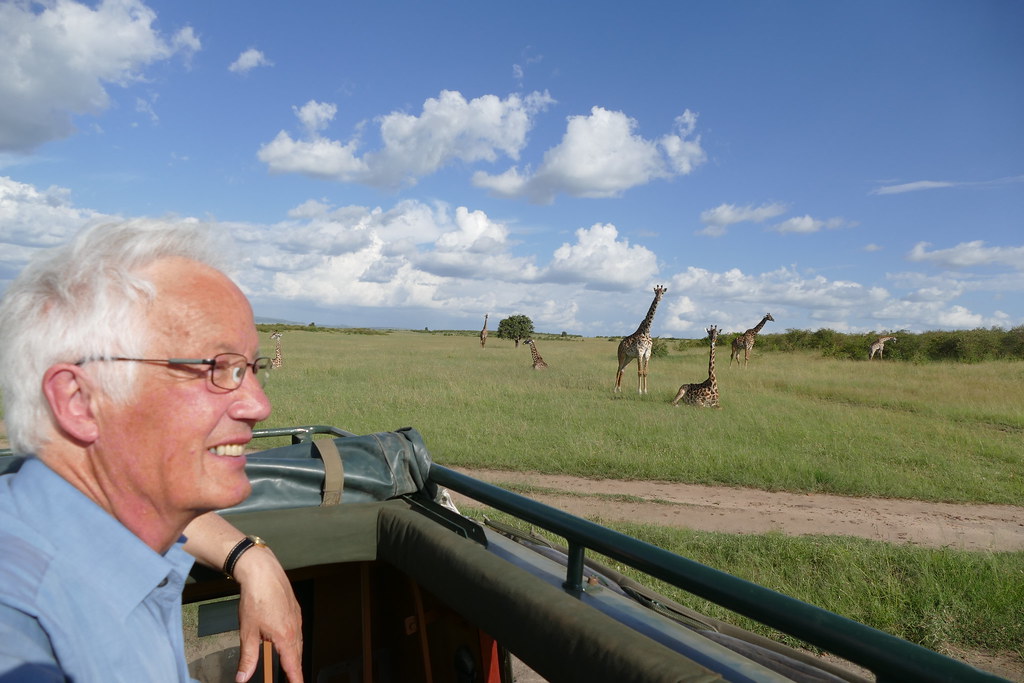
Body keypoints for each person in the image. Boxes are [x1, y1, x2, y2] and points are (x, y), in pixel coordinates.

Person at [0, 219, 303, 682]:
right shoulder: (22, 636)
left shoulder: (110, 529)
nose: (259, 404)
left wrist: (249, 554)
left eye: (251, 367)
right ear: (80, 401)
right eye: (215, 367)